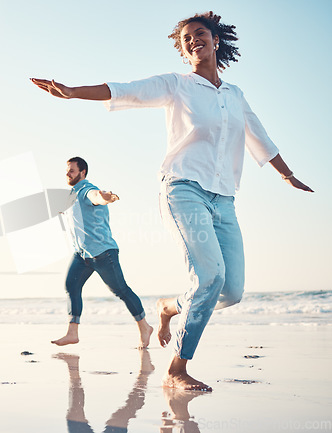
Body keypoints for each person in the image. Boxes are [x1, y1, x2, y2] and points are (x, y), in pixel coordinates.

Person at [31, 11, 313, 391]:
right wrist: (74, 91)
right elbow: (127, 88)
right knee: (210, 276)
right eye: (186, 39)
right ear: (183, 51)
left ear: (216, 41)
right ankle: (177, 368)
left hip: (224, 198)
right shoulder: (176, 85)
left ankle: (168, 307)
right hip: (182, 190)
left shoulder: (235, 95)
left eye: (200, 34)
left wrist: (287, 174)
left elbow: (257, 134)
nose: (193, 40)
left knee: (230, 292)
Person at [55, 157, 153, 349]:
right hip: (82, 255)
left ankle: (144, 327)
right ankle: (72, 333)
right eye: (67, 170)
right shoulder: (71, 196)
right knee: (71, 286)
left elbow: (96, 197)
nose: (68, 174)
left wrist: (105, 197)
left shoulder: (86, 191)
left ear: (82, 173)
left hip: (103, 253)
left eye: (72, 171)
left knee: (121, 290)